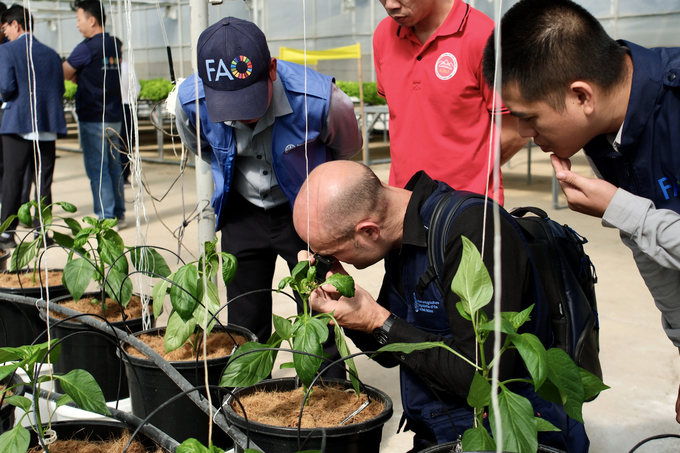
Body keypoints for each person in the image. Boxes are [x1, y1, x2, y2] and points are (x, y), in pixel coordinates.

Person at [292, 160, 588, 452]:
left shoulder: (471, 230)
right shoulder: (404, 236)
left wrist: (378, 320)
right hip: (440, 430)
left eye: (329, 253)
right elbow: (390, 354)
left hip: (500, 435)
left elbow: (482, 376)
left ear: (369, 231)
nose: (330, 261)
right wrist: (352, 312)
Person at [481, 0, 680, 422]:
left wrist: (621, 208)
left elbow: (641, 223)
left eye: (529, 118)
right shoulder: (605, 130)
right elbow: (653, 254)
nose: (527, 134)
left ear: (580, 96)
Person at [174, 17, 362, 367]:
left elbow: (346, 150)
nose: (243, 119)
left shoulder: (320, 100)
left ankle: (326, 396)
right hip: (243, 211)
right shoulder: (190, 104)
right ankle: (247, 404)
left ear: (272, 69)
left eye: (249, 102)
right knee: (244, 319)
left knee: (320, 310)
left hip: (307, 212)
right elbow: (202, 147)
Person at [373, 0, 527, 204]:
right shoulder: (384, 35)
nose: (390, 5)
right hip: (404, 202)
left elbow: (515, 131)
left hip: (468, 208)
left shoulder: (484, 37)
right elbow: (406, 116)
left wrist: (471, 176)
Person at [0, 5, 67, 248]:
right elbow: (59, 89)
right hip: (47, 124)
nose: (4, 32)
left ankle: (7, 233)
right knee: (43, 181)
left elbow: (6, 88)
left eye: (5, 27)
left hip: (17, 123)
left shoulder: (7, 50)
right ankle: (42, 233)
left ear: (16, 25)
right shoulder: (51, 53)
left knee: (13, 179)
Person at [63, 0, 126, 227]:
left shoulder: (86, 47)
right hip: (114, 115)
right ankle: (118, 213)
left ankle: (106, 218)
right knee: (113, 166)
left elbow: (64, 72)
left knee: (97, 169)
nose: (77, 25)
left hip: (93, 116)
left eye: (79, 19)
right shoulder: (113, 45)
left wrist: (77, 73)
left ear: (91, 20)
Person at [115, 37, 140, 186]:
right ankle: (125, 174)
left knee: (115, 140)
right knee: (127, 141)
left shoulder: (107, 67)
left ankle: (117, 173)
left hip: (114, 108)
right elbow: (135, 88)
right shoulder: (126, 67)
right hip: (127, 106)